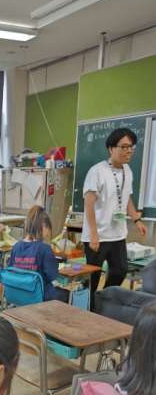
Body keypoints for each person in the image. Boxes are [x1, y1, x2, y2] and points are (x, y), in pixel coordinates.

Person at [82, 128, 146, 308]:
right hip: (98, 236)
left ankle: (102, 301)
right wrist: (94, 234)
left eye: (131, 147)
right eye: (124, 147)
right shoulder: (97, 171)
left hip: (117, 234)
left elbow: (127, 199)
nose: (129, 151)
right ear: (111, 148)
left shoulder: (128, 170)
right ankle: (88, 310)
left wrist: (136, 219)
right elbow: (89, 203)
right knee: (93, 277)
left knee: (120, 271)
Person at [9, 205, 69, 302]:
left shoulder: (16, 247)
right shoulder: (44, 249)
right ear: (43, 226)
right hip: (37, 295)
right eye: (48, 231)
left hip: (18, 293)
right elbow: (52, 275)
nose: (46, 235)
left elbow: (11, 271)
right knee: (66, 294)